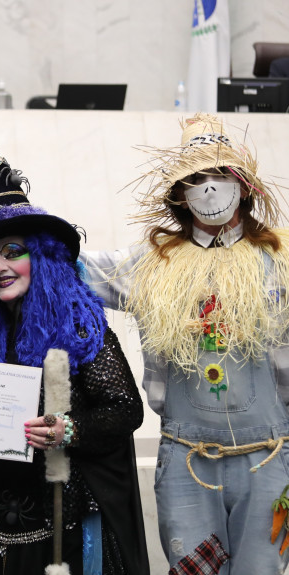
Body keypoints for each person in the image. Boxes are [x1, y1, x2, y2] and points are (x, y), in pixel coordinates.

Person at [80, 113, 289, 574]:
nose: (209, 188)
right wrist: (12, 237)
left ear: (243, 184)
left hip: (271, 458)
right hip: (187, 461)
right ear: (180, 194)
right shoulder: (152, 263)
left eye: (220, 175)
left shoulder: (280, 259)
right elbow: (79, 267)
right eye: (195, 179)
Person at [0, 133, 147, 575]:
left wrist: (66, 429)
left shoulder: (81, 326)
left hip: (66, 536)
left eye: (13, 251)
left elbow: (125, 409)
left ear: (44, 256)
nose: (0, 267)